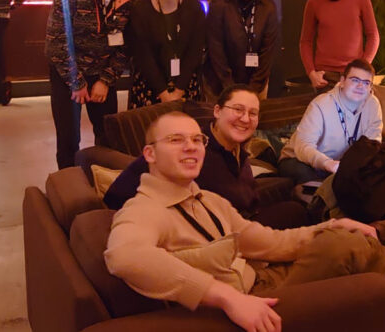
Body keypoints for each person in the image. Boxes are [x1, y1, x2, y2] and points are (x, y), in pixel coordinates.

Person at [104, 111, 385, 332]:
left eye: (197, 139)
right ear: (150, 154)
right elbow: (125, 256)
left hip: (267, 276)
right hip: (254, 299)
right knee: (350, 247)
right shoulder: (143, 208)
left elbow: (271, 243)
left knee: (360, 241)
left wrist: (333, 225)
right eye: (176, 140)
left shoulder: (209, 200)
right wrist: (226, 298)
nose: (191, 147)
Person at [105, 85, 308, 230]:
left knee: (298, 209)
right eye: (238, 109)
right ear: (217, 111)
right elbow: (119, 193)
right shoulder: (193, 150)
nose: (245, 119)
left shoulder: (239, 151)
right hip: (217, 236)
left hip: (241, 223)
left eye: (253, 113)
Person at [45, 0, 138, 168]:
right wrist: (76, 82)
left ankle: (104, 186)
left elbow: (127, 45)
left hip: (104, 74)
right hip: (68, 76)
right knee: (68, 139)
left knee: (108, 137)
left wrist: (106, 81)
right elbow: (56, 42)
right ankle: (68, 190)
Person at [278, 59, 383, 185]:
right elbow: (303, 147)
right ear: (342, 81)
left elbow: (372, 144)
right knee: (308, 177)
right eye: (355, 80)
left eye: (366, 83)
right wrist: (328, 164)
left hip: (341, 165)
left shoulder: (373, 104)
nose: (361, 86)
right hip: (300, 160)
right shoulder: (321, 104)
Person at [127, 0, 206, 109]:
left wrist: (179, 90)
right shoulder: (140, 9)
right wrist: (163, 92)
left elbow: (195, 51)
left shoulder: (194, 8)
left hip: (185, 84)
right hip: (149, 85)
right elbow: (142, 55)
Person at [299, 0, 379, 90]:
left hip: (354, 75)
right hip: (325, 77)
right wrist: (312, 73)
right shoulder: (313, 3)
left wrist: (363, 69)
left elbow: (374, 36)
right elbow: (305, 41)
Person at [203, 0, 279, 99]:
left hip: (257, 84)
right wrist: (230, 88)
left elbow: (268, 51)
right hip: (220, 85)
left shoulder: (268, 7)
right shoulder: (218, 5)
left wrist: (252, 90)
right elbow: (216, 50)